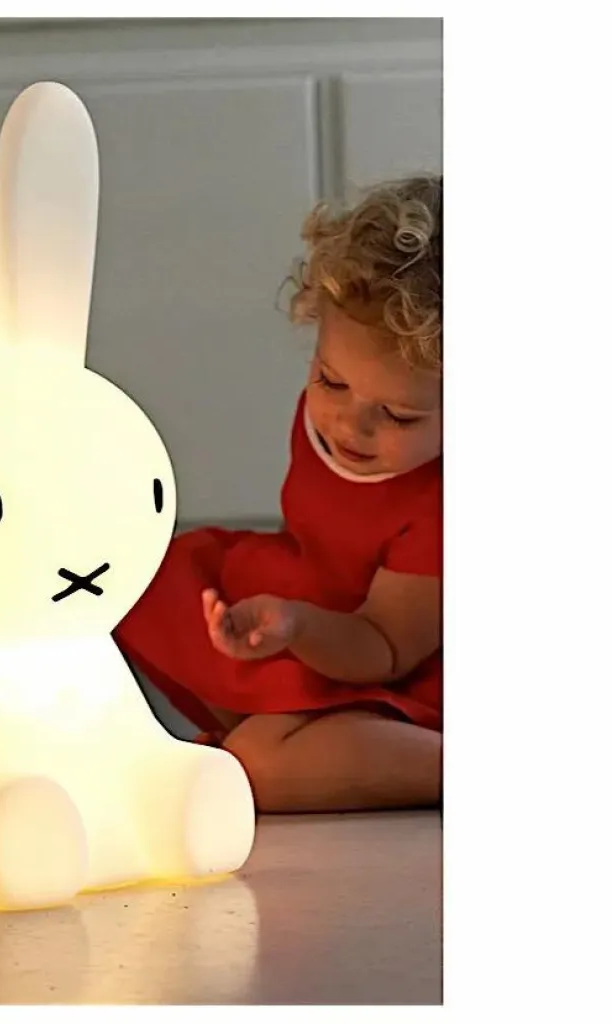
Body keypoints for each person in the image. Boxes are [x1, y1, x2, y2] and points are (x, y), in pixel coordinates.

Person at [115, 175, 443, 814]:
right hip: (316, 602)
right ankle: (284, 732)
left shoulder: (441, 508)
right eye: (331, 381)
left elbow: (383, 647)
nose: (351, 424)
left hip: (392, 660)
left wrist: (298, 627)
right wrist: (286, 622)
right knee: (142, 578)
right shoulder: (344, 418)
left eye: (399, 415)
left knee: (253, 769)